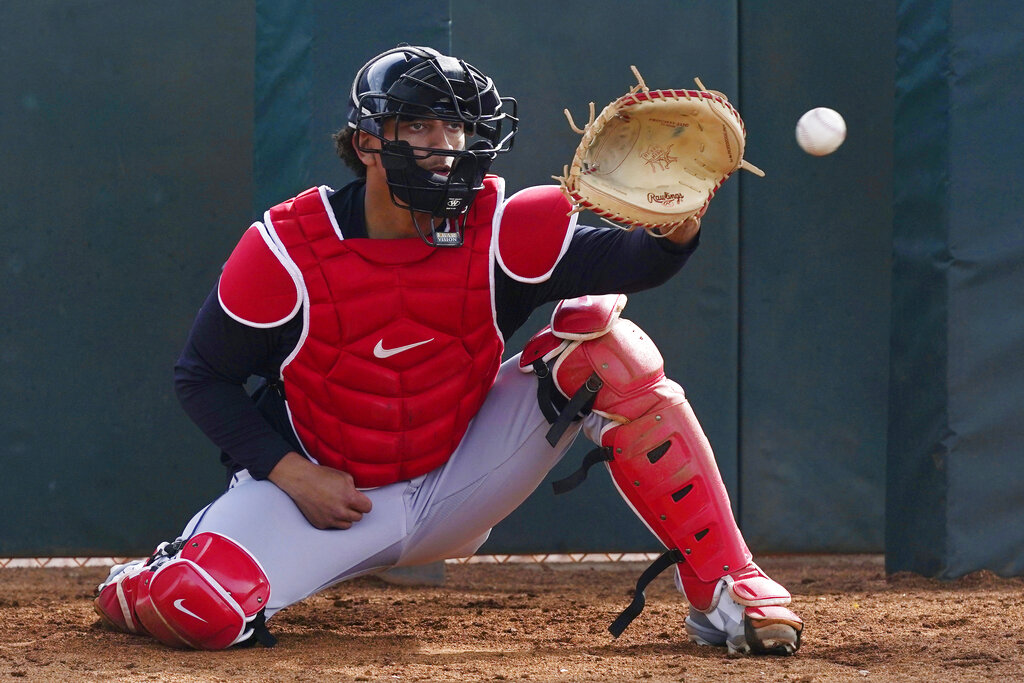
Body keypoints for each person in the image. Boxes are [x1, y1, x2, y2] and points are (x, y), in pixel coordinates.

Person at [94, 45, 803, 655]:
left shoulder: (502, 227)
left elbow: (638, 264)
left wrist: (675, 226)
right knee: (197, 607)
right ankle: (144, 580)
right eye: (421, 124)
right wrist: (290, 473)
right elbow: (202, 376)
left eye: (457, 125)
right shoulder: (286, 249)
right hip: (322, 498)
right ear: (368, 141)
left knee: (606, 346)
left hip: (458, 476)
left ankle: (729, 586)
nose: (446, 142)